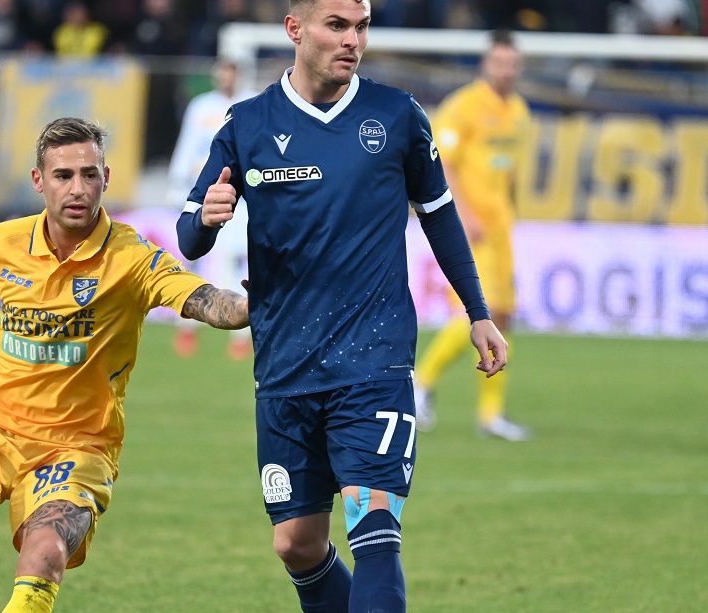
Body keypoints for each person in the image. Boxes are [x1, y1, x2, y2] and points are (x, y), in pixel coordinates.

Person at [176, 1, 507, 611]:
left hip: (372, 358)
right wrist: (207, 216)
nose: (353, 40)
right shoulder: (246, 124)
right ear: (295, 29)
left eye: (361, 27)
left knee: (374, 527)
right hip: (284, 363)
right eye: (337, 26)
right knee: (297, 545)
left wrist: (477, 310)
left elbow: (439, 216)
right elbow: (189, 234)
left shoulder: (396, 114)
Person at [0, 116, 248, 613]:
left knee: (43, 557)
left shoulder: (131, 256)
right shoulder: (1, 244)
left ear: (106, 179)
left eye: (90, 175)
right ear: (38, 181)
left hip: (76, 445)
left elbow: (202, 300)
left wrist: (248, 308)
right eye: (63, 175)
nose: (78, 188)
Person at [412, 29, 532, 441]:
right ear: (486, 64)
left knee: (503, 316)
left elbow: (508, 172)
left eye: (513, 64)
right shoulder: (464, 106)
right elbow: (441, 160)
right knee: (478, 311)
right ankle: (420, 383)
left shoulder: (518, 111)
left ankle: (490, 414)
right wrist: (463, 213)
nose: (506, 71)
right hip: (471, 229)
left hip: (501, 228)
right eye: (499, 63)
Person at [168, 57, 256, 360]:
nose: (225, 78)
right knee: (193, 261)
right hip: (201, 194)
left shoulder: (251, 105)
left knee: (235, 262)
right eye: (221, 73)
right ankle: (187, 330)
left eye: (230, 73)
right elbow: (187, 145)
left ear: (238, 75)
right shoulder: (201, 106)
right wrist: (178, 185)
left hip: (239, 198)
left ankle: (242, 335)